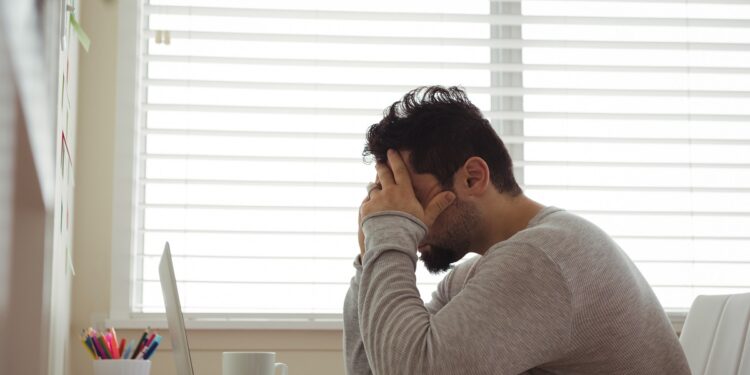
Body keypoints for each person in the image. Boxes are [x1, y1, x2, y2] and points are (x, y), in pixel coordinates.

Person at [343, 86, 690, 375]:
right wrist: (369, 257)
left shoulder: (542, 259)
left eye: (411, 198)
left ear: (472, 178)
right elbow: (378, 365)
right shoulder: (482, 274)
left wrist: (389, 233)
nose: (409, 218)